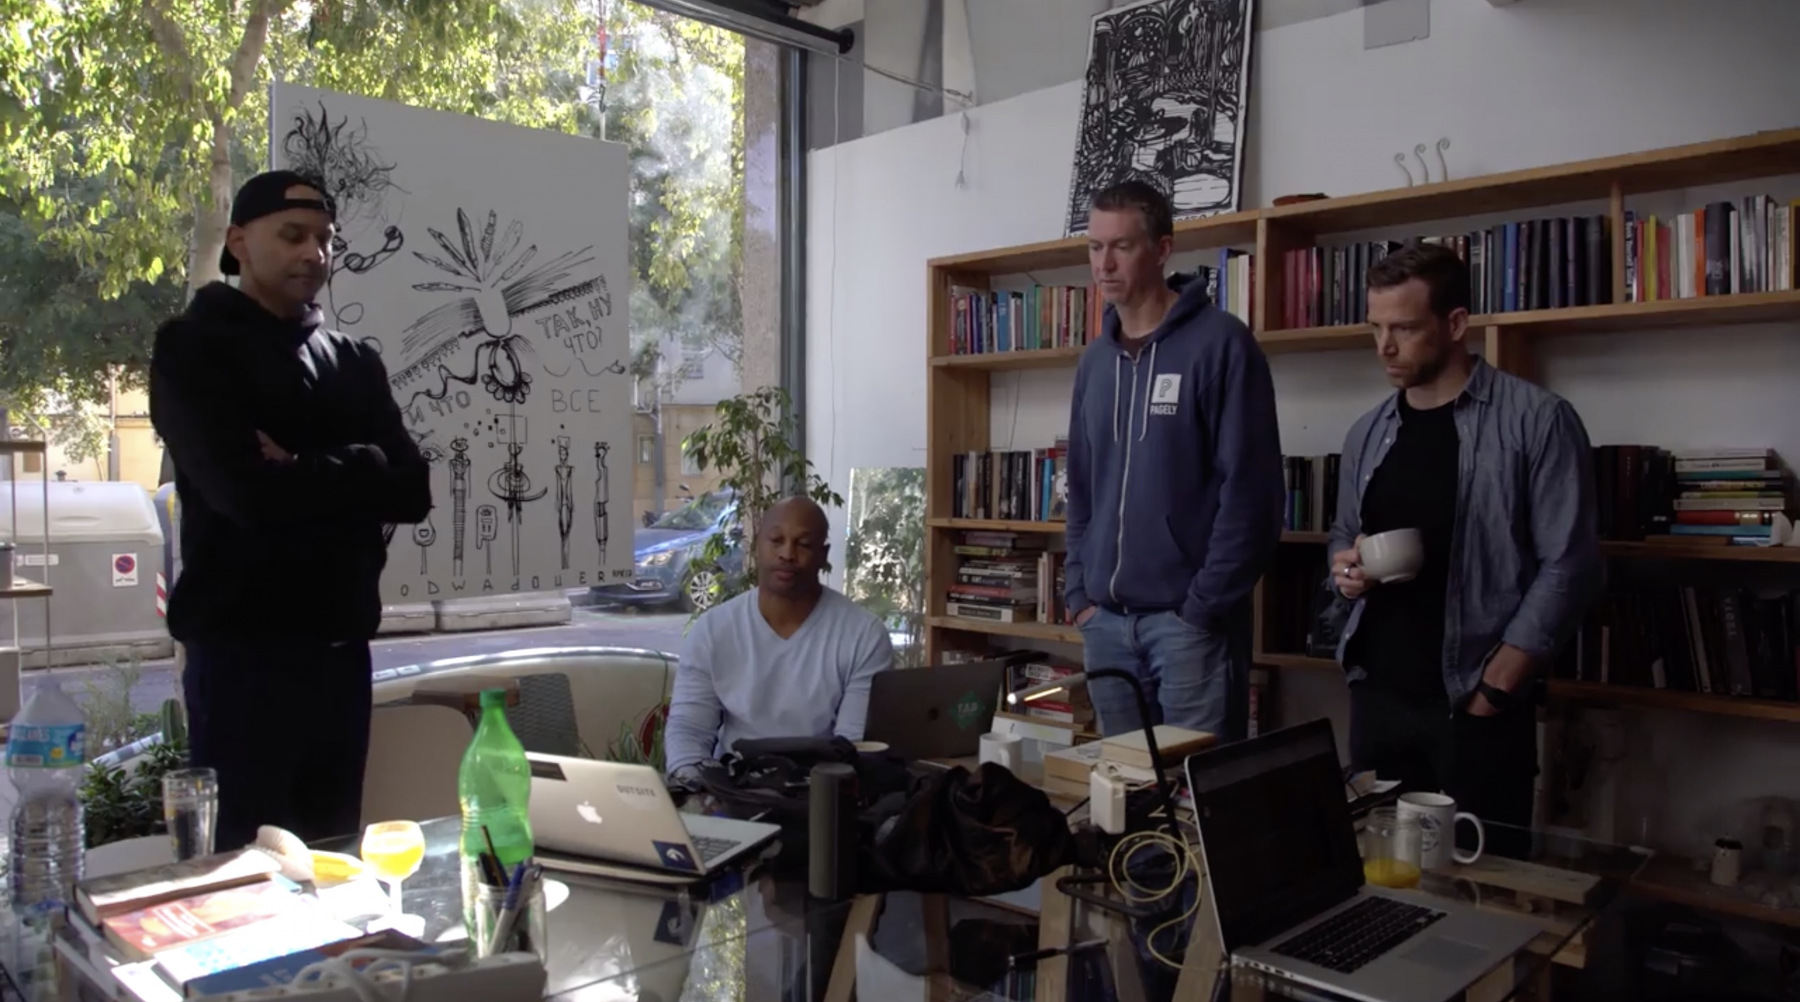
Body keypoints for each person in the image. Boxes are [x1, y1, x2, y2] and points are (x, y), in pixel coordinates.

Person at [150, 170, 431, 846]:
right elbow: (245, 495)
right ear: (238, 242)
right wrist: (365, 467)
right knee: (247, 870)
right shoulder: (193, 349)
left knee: (332, 860)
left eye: (325, 239)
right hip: (243, 661)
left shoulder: (352, 361)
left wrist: (306, 465)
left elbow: (413, 491)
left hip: (340, 656)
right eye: (294, 235)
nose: (315, 253)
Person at [1328, 242, 1602, 844]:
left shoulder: (1538, 420)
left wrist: (1498, 685)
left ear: (1455, 324)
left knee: (1485, 878)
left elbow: (1570, 563)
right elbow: (1345, 535)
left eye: (1404, 329)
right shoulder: (1367, 432)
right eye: (1375, 328)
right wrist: (1344, 570)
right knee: (1380, 872)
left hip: (1475, 698)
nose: (1384, 347)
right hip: (1378, 695)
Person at [1063, 181, 1285, 742]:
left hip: (1188, 627)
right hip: (1105, 626)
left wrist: (1203, 607)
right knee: (1124, 789)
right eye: (1095, 247)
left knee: (1196, 786)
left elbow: (1252, 494)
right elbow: (1081, 489)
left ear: (1162, 249)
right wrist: (1079, 595)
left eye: (1122, 246)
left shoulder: (1222, 345)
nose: (1104, 264)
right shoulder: (1094, 362)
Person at [663, 497, 894, 779]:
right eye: (776, 540)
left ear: (823, 555)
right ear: (756, 546)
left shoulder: (864, 634)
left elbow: (852, 745)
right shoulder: (712, 630)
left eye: (803, 544)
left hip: (823, 790)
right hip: (734, 787)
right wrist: (695, 787)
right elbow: (689, 729)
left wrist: (815, 795)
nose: (787, 554)